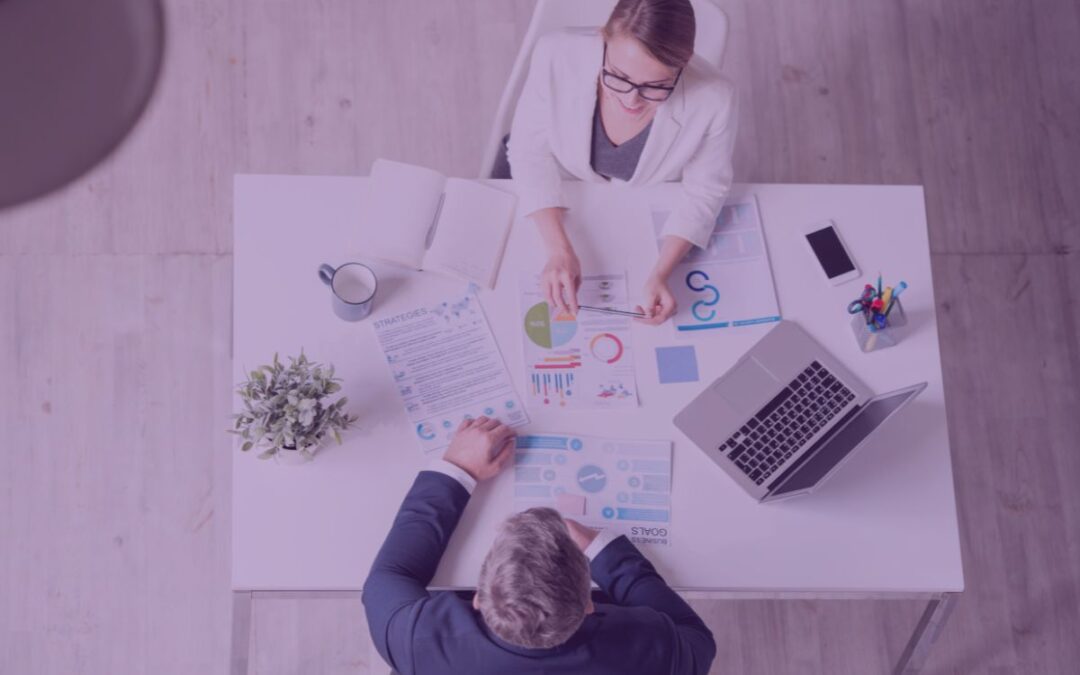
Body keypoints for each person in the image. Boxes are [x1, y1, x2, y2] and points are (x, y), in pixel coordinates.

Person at [362, 416, 716, 674]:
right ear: (589, 604)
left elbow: (387, 577)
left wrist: (456, 468)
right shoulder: (652, 649)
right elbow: (696, 638)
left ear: (477, 598)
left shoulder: (417, 640)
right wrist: (607, 554)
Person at [504, 0, 738, 326]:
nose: (631, 100)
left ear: (683, 65)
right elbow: (529, 153)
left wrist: (661, 272)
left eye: (655, 87)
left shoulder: (715, 98)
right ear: (603, 40)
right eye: (617, 76)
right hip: (562, 187)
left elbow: (706, 190)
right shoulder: (556, 54)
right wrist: (558, 250)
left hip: (643, 204)